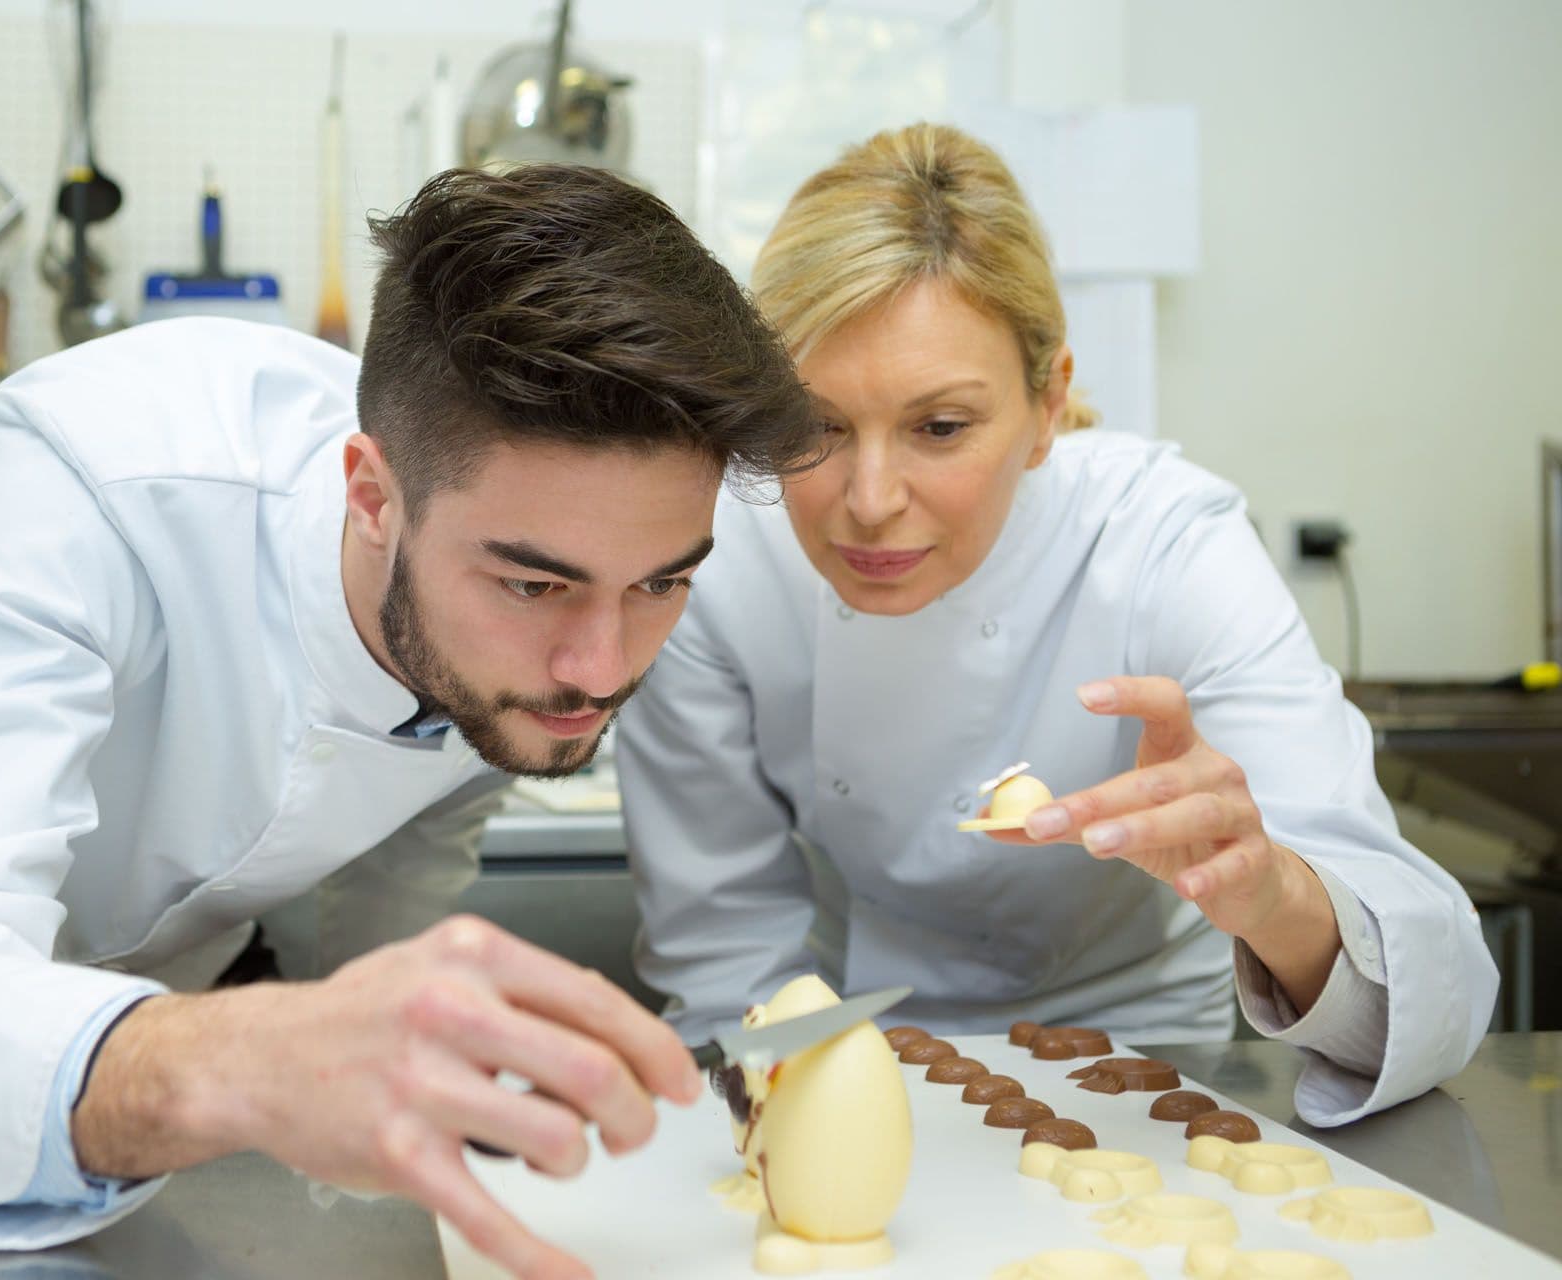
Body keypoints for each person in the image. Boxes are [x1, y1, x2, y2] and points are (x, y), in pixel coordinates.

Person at [0, 164, 814, 1279]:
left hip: (165, 962)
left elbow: (417, 834)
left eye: (662, 583)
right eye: (533, 585)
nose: (601, 669)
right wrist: (254, 1058)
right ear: (372, 499)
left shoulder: (528, 624)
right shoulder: (89, 488)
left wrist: (403, 1054)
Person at [615, 122, 1498, 1128]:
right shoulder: (712, 562)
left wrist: (1272, 894)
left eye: (940, 427)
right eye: (813, 427)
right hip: (844, 1054)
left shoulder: (1164, 541)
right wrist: (801, 1117)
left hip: (1146, 1064)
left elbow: (1430, 983)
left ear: (1048, 405)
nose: (869, 499)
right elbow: (725, 947)